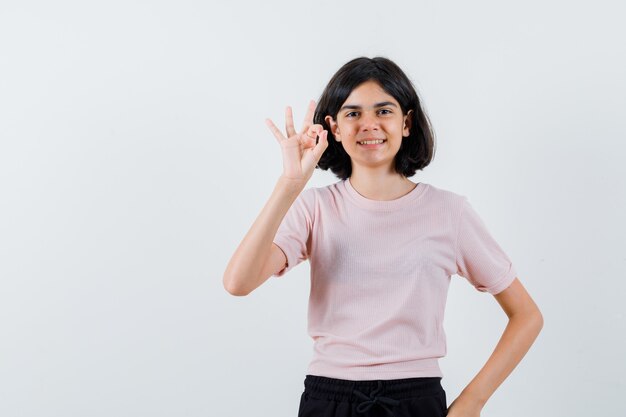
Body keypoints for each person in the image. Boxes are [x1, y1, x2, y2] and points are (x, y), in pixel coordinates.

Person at [223, 57, 543, 417]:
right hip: (329, 399)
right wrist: (289, 185)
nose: (369, 125)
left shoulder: (449, 212)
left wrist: (473, 401)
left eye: (384, 110)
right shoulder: (315, 208)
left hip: (415, 399)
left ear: (406, 122)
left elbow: (527, 315)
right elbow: (238, 282)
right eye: (353, 113)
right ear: (334, 128)